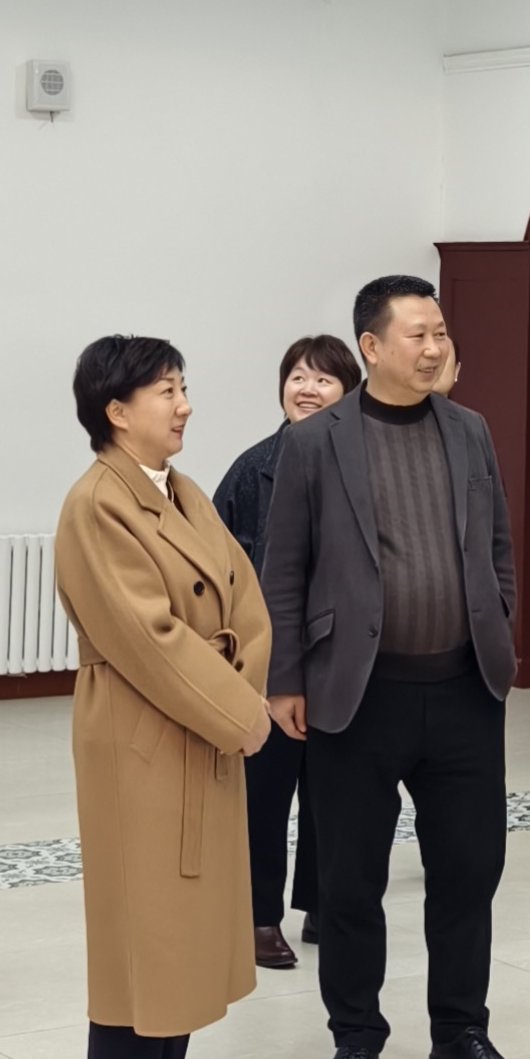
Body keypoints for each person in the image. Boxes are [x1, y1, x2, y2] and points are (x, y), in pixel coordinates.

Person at [260, 275, 526, 1059]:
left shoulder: (470, 430)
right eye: (419, 334)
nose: (435, 347)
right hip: (357, 694)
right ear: (371, 347)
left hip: (464, 690)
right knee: (349, 880)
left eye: (441, 332)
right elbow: (284, 570)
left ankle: (460, 1033)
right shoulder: (316, 444)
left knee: (469, 871)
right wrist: (285, 679)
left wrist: (499, 622)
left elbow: (497, 545)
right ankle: (355, 1039)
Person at [53, 334, 273, 1059]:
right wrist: (241, 713)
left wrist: (235, 698)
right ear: (117, 411)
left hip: (200, 728)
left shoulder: (182, 491)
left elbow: (246, 602)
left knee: (183, 938)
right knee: (140, 943)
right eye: (167, 391)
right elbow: (150, 638)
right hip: (141, 740)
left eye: (184, 388)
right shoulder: (96, 504)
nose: (184, 406)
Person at [209, 333, 359, 970]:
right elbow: (212, 563)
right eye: (297, 376)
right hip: (267, 660)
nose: (307, 388)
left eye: (323, 378)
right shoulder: (254, 468)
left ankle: (324, 905)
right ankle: (258, 917)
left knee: (337, 791)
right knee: (263, 796)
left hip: (344, 660)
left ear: (349, 392)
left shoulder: (365, 465)